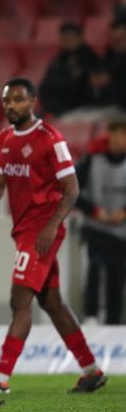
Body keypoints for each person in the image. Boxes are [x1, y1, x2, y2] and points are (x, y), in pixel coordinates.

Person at [0, 78, 107, 393]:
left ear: (33, 102)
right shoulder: (3, 140)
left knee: (19, 299)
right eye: (7, 101)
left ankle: (0, 379)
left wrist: (52, 225)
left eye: (18, 99)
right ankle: (91, 370)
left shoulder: (50, 139)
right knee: (51, 302)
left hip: (42, 230)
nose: (11, 105)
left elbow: (72, 189)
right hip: (24, 229)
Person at [76, 118, 126, 325]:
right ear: (110, 134)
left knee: (117, 274)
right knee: (95, 269)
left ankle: (114, 320)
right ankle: (91, 315)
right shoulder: (91, 160)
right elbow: (72, 191)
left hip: (122, 231)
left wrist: (123, 212)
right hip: (95, 227)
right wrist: (94, 211)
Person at [39, 21, 102, 117]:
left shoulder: (90, 59)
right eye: (65, 38)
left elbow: (85, 86)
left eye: (71, 38)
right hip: (58, 109)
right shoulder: (57, 60)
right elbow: (45, 86)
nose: (68, 42)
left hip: (82, 109)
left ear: (80, 38)